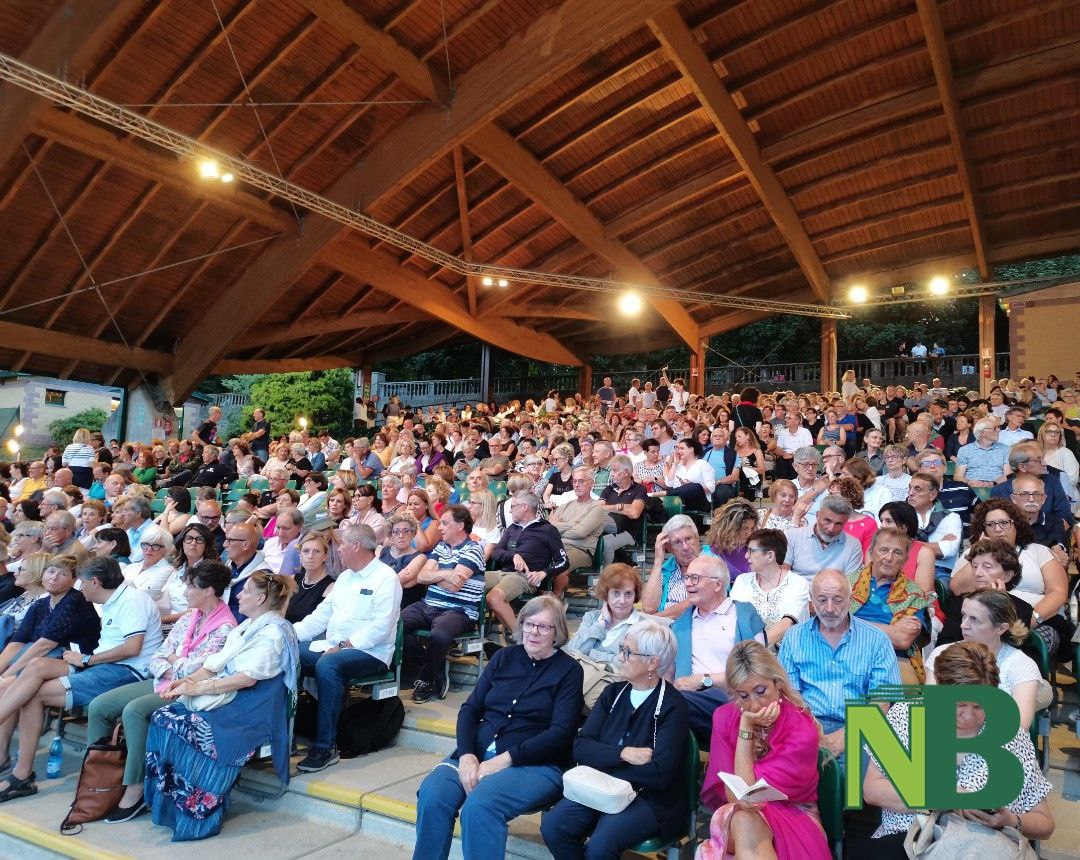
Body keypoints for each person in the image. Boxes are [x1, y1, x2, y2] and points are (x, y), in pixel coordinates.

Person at [413, 595, 583, 860]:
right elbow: (470, 710)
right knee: (433, 794)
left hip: (536, 765)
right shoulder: (504, 657)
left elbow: (560, 733)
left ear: (557, 632)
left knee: (480, 806)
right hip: (477, 755)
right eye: (529, 624)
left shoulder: (569, 670)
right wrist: (467, 754)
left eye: (544, 627)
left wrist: (506, 759)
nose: (534, 632)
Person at [853, 641, 1055, 859]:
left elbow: (1045, 823)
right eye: (958, 705)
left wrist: (1009, 820)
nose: (968, 716)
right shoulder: (906, 716)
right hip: (908, 843)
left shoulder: (1011, 736)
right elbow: (872, 790)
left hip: (983, 848)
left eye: (979, 705)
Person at [144, 571, 299, 841]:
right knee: (162, 716)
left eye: (245, 591)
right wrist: (183, 683)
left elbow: (247, 679)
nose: (238, 595)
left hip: (251, 708)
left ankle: (198, 814)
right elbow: (213, 665)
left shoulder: (272, 631)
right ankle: (175, 805)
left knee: (181, 725)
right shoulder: (247, 626)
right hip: (233, 696)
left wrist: (197, 688)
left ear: (261, 598)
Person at [83, 560, 235, 822]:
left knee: (134, 712)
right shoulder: (190, 617)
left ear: (208, 590)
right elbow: (158, 656)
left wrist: (172, 663)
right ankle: (97, 779)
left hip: (192, 692)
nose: (185, 592)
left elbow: (196, 671)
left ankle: (136, 787)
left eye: (190, 587)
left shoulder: (225, 627)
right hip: (163, 681)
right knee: (99, 706)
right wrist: (173, 664)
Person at [0, 556, 162, 802]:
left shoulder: (132, 600)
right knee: (36, 667)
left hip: (125, 672)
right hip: (102, 664)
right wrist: (85, 659)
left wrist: (86, 660)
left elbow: (132, 648)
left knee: (30, 692)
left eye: (82, 583)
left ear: (95, 582)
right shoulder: (112, 601)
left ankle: (22, 775)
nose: (79, 588)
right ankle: (21, 774)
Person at [542, 620, 689, 859]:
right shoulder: (613, 693)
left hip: (648, 797)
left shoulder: (673, 706)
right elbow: (580, 747)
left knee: (601, 845)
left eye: (627, 652)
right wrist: (622, 754)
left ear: (652, 662)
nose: (620, 657)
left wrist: (604, 761)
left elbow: (660, 774)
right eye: (621, 649)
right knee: (554, 826)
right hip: (600, 785)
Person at [698, 640, 831, 860]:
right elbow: (738, 797)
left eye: (761, 691)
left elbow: (752, 794)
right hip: (739, 812)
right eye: (743, 696)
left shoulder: (801, 727)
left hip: (795, 812)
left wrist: (745, 730)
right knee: (744, 819)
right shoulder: (724, 717)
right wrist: (746, 728)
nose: (754, 705)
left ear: (777, 683)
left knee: (745, 821)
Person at [294, 524, 401, 773]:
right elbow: (320, 617)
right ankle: (288, 733)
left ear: (356, 546)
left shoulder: (386, 578)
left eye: (342, 544)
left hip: (371, 652)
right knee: (292, 653)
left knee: (329, 664)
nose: (338, 549)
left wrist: (345, 645)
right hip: (334, 646)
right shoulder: (344, 577)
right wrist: (287, 635)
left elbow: (381, 628)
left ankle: (325, 746)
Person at [779, 569, 900, 767]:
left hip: (861, 727)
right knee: (790, 772)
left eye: (837, 600)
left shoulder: (876, 640)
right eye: (821, 599)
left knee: (849, 781)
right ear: (811, 600)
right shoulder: (793, 637)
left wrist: (843, 737)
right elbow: (790, 695)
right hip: (806, 723)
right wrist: (812, 732)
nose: (829, 608)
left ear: (850, 599)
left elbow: (881, 702)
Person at [950, 499, 1072, 659]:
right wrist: (978, 552)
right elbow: (957, 589)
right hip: (982, 618)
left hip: (1036, 621)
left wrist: (1032, 619)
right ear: (983, 529)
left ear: (1016, 524)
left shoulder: (1038, 551)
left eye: (1004, 523)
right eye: (991, 525)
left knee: (1026, 645)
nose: (998, 529)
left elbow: (1058, 592)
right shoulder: (972, 555)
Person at [671, 555, 765, 745]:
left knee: (675, 704)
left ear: (717, 584)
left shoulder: (744, 615)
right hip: (689, 702)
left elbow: (758, 673)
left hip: (735, 698)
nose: (688, 583)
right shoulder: (681, 624)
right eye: (687, 577)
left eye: (695, 578)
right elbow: (669, 671)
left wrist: (703, 680)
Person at [403, 504, 487, 703]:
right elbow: (421, 577)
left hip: (459, 610)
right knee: (393, 624)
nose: (440, 527)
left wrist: (435, 575)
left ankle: (425, 680)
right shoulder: (441, 547)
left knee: (439, 636)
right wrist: (446, 574)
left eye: (444, 523)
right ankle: (435, 662)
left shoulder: (474, 549)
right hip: (428, 604)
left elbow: (455, 586)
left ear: (460, 526)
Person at [928, 587, 1043, 730]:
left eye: (974, 619)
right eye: (964, 615)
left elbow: (1018, 728)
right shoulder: (942, 653)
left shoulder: (1022, 666)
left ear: (1001, 628)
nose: (964, 625)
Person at [847, 528, 933, 683]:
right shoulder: (847, 584)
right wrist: (890, 630)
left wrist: (849, 623)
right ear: (871, 552)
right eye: (883, 550)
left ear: (906, 559)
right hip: (845, 655)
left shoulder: (914, 594)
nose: (889, 557)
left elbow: (902, 639)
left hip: (891, 662)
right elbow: (830, 627)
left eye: (897, 553)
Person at [487, 491, 569, 631]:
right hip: (501, 572)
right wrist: (513, 556)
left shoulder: (547, 530)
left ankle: (520, 638)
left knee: (494, 597)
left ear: (524, 507)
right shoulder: (512, 528)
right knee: (467, 581)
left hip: (523, 577)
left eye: (513, 506)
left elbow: (564, 561)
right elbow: (496, 552)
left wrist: (544, 573)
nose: (510, 510)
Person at [729, 529, 809, 647]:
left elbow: (787, 624)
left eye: (751, 551)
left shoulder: (797, 583)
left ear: (770, 556)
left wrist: (753, 649)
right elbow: (733, 620)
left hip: (786, 654)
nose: (746, 556)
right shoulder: (742, 581)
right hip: (747, 653)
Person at [641, 514, 713, 618]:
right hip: (663, 626)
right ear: (669, 547)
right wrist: (657, 562)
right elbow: (649, 608)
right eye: (677, 542)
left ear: (697, 538)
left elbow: (697, 601)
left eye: (688, 539)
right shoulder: (667, 568)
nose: (685, 547)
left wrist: (656, 620)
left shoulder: (712, 563)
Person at [782, 496, 863, 583]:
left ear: (845, 523)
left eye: (838, 524)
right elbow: (783, 575)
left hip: (834, 594)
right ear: (817, 515)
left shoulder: (853, 545)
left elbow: (851, 584)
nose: (831, 529)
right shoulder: (793, 536)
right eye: (827, 521)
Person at [906, 471, 962, 583]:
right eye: (910, 488)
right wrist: (936, 545)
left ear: (932, 495)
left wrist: (908, 544)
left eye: (918, 489)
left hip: (940, 572)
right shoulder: (900, 515)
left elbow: (949, 550)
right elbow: (894, 545)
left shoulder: (951, 517)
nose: (911, 493)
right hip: (906, 568)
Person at [876, 501, 937, 595]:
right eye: (881, 520)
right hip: (876, 604)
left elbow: (922, 592)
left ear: (905, 526)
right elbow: (869, 584)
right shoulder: (873, 550)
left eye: (888, 521)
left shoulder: (924, 553)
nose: (882, 525)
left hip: (914, 606)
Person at [379, 512, 428, 609]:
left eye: (406, 531)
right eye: (396, 532)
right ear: (390, 535)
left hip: (405, 607)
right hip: (380, 603)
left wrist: (380, 581)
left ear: (413, 534)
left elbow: (402, 580)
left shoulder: (420, 557)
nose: (401, 535)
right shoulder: (381, 552)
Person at [283, 531, 335, 623]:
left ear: (325, 556)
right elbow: (280, 614)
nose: (310, 556)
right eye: (306, 551)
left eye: (317, 551)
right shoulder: (291, 580)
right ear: (300, 554)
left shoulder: (331, 588)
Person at [706, 498, 758, 580]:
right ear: (730, 528)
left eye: (751, 528)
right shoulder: (713, 552)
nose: (749, 533)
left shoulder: (754, 549)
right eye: (745, 528)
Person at [122, 523, 177, 601]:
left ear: (166, 549)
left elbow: (142, 597)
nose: (149, 549)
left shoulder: (168, 570)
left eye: (155, 546)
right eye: (145, 544)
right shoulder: (131, 566)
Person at [659, 437, 716, 510]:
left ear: (691, 449)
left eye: (682, 448)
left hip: (698, 502)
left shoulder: (703, 464)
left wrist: (690, 486)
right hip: (677, 502)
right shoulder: (677, 466)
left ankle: (662, 494)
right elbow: (668, 483)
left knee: (695, 486)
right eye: (677, 449)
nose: (678, 451)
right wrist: (675, 464)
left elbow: (711, 487)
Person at [954, 417, 1009, 488]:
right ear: (982, 432)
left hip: (997, 488)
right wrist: (969, 482)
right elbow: (958, 476)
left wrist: (991, 484)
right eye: (994, 428)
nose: (999, 430)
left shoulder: (1005, 449)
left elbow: (1008, 475)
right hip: (971, 488)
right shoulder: (965, 450)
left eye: (998, 427)